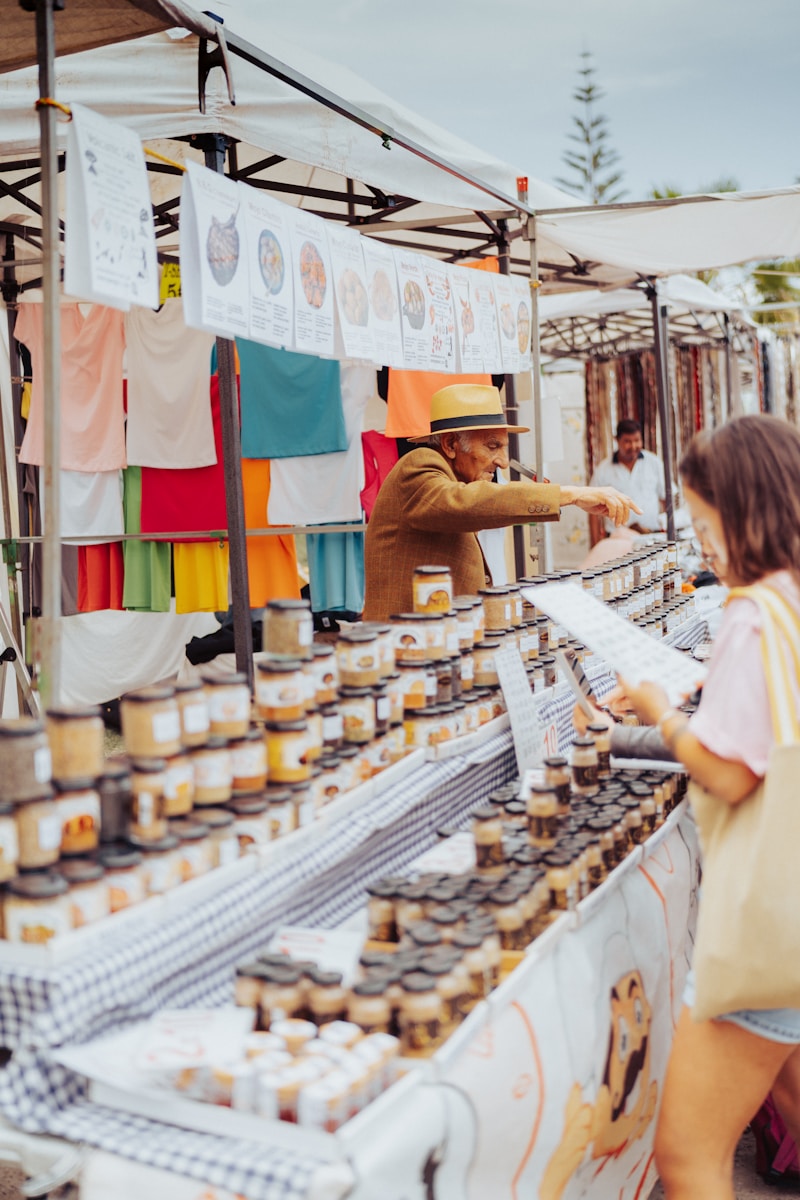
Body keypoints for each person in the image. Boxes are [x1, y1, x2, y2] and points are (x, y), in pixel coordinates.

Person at [619, 413, 800, 1200]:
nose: (704, 542)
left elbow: (727, 772)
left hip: (767, 924)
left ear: (741, 510)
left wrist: (660, 710)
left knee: (688, 1155)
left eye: (704, 521)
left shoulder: (753, 612)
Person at [363, 383, 640, 621]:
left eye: (504, 448)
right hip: (409, 649)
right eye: (493, 447)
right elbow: (466, 503)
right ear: (450, 444)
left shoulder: (452, 478)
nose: (504, 462)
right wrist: (571, 495)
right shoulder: (419, 465)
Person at [589, 418, 665, 546]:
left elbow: (667, 498)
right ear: (617, 441)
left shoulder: (654, 463)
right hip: (617, 540)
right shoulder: (604, 469)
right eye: (628, 441)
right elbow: (592, 509)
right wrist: (596, 543)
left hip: (652, 537)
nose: (633, 446)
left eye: (637, 440)